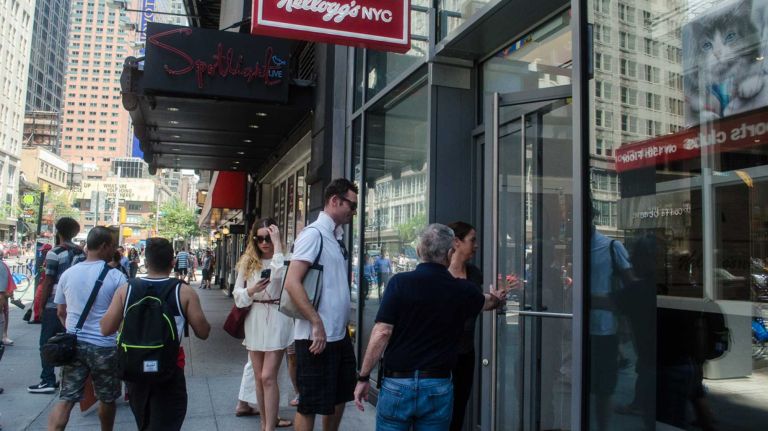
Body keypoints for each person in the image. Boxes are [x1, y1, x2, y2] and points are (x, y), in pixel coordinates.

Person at [353, 224, 507, 430]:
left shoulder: (399, 283)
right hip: (438, 385)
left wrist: (363, 377)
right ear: (451, 253)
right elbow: (487, 301)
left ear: (419, 251)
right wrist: (498, 299)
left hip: (398, 384)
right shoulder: (461, 289)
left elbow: (382, 332)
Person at [101, 237, 210, 431]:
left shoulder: (126, 289)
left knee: (144, 422)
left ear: (146, 261)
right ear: (172, 262)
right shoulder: (183, 292)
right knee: (167, 422)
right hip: (169, 368)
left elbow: (105, 328)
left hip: (135, 369)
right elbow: (202, 332)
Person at [283, 178, 358, 431]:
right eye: (352, 205)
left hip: (338, 336)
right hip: (316, 338)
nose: (353, 211)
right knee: (310, 404)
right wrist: (316, 322)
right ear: (335, 201)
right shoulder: (313, 234)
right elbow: (292, 282)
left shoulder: (335, 237)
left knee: (339, 397)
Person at [47, 227, 127, 431]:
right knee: (107, 399)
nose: (114, 250)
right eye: (112, 246)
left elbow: (61, 311)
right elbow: (123, 315)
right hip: (105, 346)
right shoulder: (116, 277)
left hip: (74, 346)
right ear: (103, 246)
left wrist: (73, 330)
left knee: (66, 398)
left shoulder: (68, 274)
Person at [233, 219, 294, 429]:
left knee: (268, 376)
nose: (264, 242)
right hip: (255, 317)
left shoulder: (285, 258)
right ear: (254, 239)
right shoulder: (247, 261)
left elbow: (278, 275)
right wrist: (252, 290)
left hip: (277, 318)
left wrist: (278, 244)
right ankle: (265, 421)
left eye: (268, 238)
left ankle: (269, 426)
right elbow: (237, 296)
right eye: (260, 238)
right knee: (259, 377)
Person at [29, 217, 85, 394]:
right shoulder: (81, 254)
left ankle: (47, 379)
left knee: (47, 343)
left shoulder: (54, 253)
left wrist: (40, 305)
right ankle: (66, 379)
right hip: (75, 305)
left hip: (54, 305)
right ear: (75, 233)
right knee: (70, 342)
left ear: (57, 232)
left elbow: (48, 281)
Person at [446, 221, 483, 431]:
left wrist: (495, 299)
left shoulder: (474, 274)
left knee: (459, 406)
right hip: (442, 353)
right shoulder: (441, 273)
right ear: (457, 242)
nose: (476, 245)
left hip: (466, 352)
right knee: (440, 408)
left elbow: (478, 303)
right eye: (472, 240)